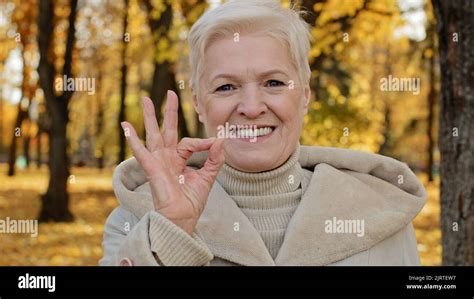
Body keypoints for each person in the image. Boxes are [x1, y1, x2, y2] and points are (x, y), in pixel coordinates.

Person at [100, 0, 426, 266]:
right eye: (226, 87)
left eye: (273, 83)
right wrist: (171, 233)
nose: (252, 106)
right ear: (198, 103)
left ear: (306, 94)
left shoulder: (382, 216)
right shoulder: (138, 217)